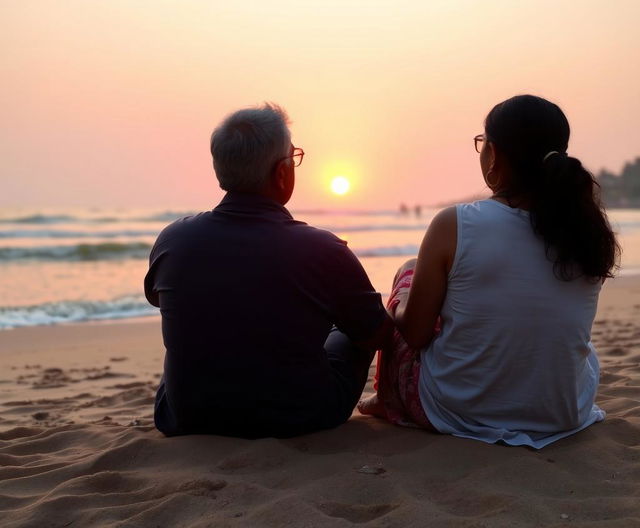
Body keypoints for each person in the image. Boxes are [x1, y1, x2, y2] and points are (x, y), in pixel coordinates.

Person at [359, 94, 620, 448]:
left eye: (482, 144)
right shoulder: (585, 230)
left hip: (459, 409)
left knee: (409, 273)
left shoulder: (455, 223)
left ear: (494, 155)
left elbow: (416, 334)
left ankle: (386, 398)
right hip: (563, 412)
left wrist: (398, 302)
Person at [145, 103, 392, 438]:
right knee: (350, 331)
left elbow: (162, 300)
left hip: (188, 417)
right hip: (300, 416)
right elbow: (377, 335)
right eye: (294, 157)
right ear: (281, 172)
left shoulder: (174, 239)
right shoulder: (323, 249)